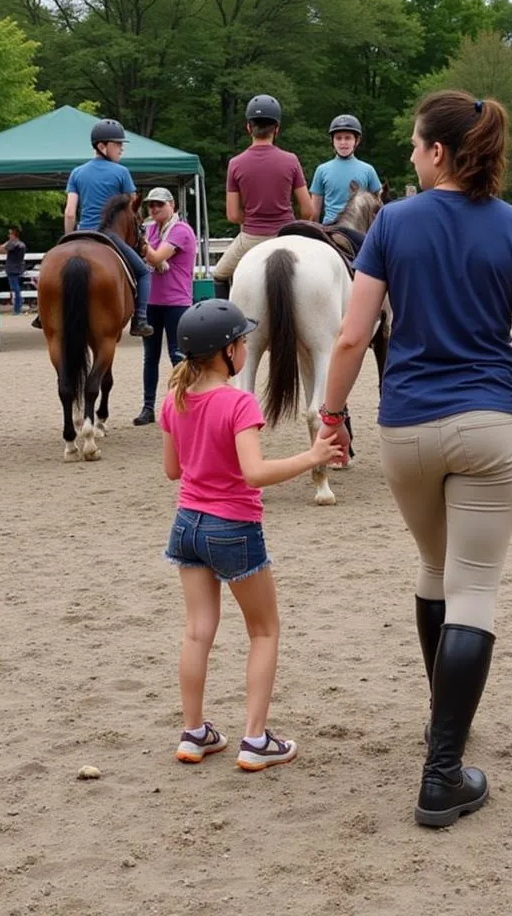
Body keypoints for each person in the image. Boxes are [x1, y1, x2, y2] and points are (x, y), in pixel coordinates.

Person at [316, 90, 512, 827]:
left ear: (438, 153)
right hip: (492, 428)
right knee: (475, 591)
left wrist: (332, 419)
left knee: (436, 572)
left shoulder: (391, 222)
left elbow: (350, 338)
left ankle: (441, 725)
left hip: (404, 432)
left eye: (414, 143)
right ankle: (442, 773)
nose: (407, 154)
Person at [161, 300, 343, 770]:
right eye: (242, 341)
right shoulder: (238, 402)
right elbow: (255, 473)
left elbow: (171, 470)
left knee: (197, 631)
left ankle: (194, 731)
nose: (246, 347)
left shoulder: (174, 398)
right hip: (233, 528)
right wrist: (311, 456)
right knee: (264, 631)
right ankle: (255, 738)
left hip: (186, 525)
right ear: (226, 352)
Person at [211, 95, 313, 299]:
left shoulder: (236, 164)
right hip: (287, 235)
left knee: (220, 274)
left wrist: (250, 218)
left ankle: (226, 324)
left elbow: (232, 215)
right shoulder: (291, 160)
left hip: (251, 237)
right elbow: (308, 209)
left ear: (249, 127)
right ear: (277, 129)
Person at [64, 118, 153, 336]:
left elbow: (69, 212)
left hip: (81, 234)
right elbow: (131, 210)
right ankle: (140, 319)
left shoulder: (76, 173)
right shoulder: (121, 172)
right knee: (143, 274)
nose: (121, 148)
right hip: (110, 236)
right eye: (117, 143)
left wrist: (69, 239)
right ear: (102, 146)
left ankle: (43, 313)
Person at [133, 188, 197, 426]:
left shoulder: (180, 231)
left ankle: (183, 404)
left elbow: (156, 257)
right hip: (152, 302)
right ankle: (148, 407)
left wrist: (139, 240)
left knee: (177, 356)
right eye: (150, 205)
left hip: (176, 302)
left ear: (172, 206)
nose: (154, 209)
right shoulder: (150, 229)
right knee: (150, 357)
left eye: (159, 204)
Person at [309, 114, 383, 246]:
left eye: (348, 138)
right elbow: (314, 211)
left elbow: (379, 205)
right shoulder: (321, 170)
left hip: (359, 232)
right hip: (329, 230)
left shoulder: (368, 170)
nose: (343, 143)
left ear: (357, 140)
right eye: (338, 138)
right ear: (332, 141)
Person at [0, 227, 27, 314]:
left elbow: (0, 250)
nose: (8, 236)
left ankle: (17, 309)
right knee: (18, 289)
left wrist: (0, 245)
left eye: (10, 234)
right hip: (20, 268)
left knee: (15, 289)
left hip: (12, 268)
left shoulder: (13, 244)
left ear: (13, 235)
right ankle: (18, 308)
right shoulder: (22, 244)